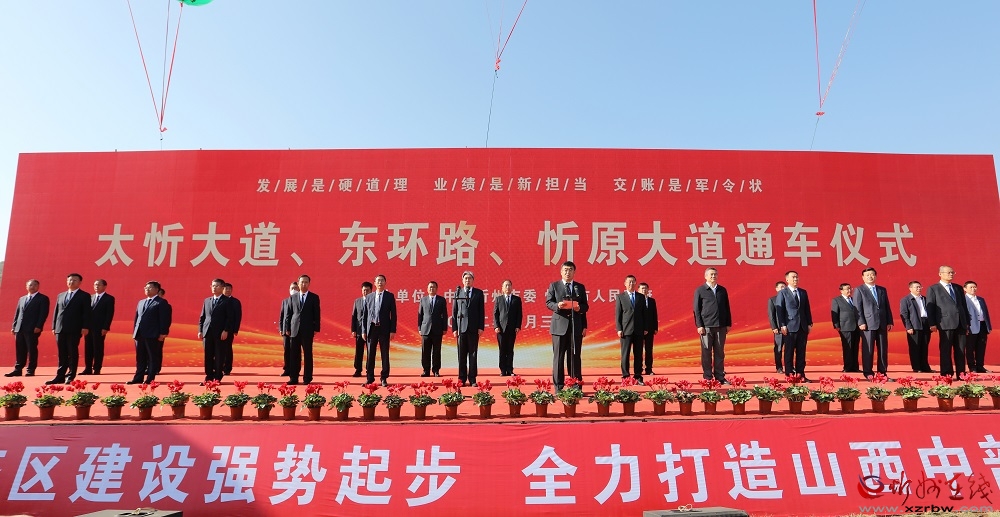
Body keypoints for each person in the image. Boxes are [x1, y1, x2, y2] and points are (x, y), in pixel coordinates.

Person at [544, 261, 588, 390]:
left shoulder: (579, 287)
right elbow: (548, 302)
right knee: (558, 357)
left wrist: (579, 308)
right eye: (565, 270)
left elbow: (585, 306)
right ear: (561, 272)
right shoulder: (554, 286)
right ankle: (559, 387)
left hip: (575, 326)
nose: (568, 272)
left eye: (570, 270)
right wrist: (557, 305)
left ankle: (576, 385)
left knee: (575, 356)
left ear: (574, 272)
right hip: (559, 327)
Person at [925, 265, 970, 378]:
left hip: (960, 322)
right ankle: (947, 373)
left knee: (961, 350)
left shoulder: (958, 288)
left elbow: (964, 306)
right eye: (948, 272)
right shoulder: (933, 288)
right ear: (940, 274)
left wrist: (967, 323)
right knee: (946, 349)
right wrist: (932, 323)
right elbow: (930, 307)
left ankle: (961, 374)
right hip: (945, 322)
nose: (951, 274)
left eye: (952, 272)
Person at [48, 273, 92, 385]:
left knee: (72, 352)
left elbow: (87, 313)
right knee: (61, 353)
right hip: (60, 328)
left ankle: (71, 375)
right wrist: (54, 326)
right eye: (69, 280)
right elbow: (56, 312)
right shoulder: (61, 295)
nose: (71, 282)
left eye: (74, 280)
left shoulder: (84, 296)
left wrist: (85, 326)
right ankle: (60, 376)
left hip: (74, 328)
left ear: (80, 282)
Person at [693, 267, 732, 384]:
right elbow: (696, 309)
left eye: (715, 274)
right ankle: (708, 377)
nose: (713, 276)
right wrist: (699, 325)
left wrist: (728, 323)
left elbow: (727, 307)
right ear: (705, 276)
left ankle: (720, 377)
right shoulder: (700, 290)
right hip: (706, 326)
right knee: (706, 352)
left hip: (721, 326)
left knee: (720, 352)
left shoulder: (722, 290)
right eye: (711, 274)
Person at [853, 267, 893, 379]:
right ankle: (868, 372)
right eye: (867, 275)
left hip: (882, 323)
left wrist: (889, 321)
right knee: (868, 349)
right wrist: (861, 322)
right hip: (867, 324)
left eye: (872, 274)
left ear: (875, 276)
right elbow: (857, 308)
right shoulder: (859, 290)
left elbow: (886, 306)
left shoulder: (882, 290)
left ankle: (882, 373)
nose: (870, 277)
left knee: (883, 349)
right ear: (863, 277)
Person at [774, 270, 813, 381]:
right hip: (789, 326)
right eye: (793, 277)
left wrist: (809, 323)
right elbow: (780, 311)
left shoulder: (803, 292)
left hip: (802, 326)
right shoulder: (783, 293)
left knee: (801, 352)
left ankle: (801, 374)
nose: (796, 279)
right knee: (789, 351)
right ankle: (789, 374)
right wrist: (782, 325)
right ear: (787, 279)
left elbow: (807, 309)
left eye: (797, 277)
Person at [6, 279, 49, 377]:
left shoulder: (42, 298)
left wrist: (39, 326)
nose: (32, 287)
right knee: (20, 349)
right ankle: (18, 369)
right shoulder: (22, 299)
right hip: (19, 328)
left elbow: (43, 314)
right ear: (26, 287)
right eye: (30, 285)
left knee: (31, 349)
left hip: (32, 328)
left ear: (38, 286)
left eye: (34, 285)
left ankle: (30, 369)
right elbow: (17, 313)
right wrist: (14, 326)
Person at [131, 281, 170, 384]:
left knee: (152, 357)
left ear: (157, 290)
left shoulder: (161, 302)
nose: (147, 289)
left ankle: (150, 378)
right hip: (140, 334)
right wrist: (135, 332)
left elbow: (164, 319)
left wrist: (163, 333)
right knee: (140, 357)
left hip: (153, 334)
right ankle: (138, 378)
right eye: (146, 288)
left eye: (150, 288)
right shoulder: (141, 302)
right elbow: (137, 318)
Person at [284, 274, 321, 385]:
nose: (304, 284)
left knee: (308, 354)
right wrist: (287, 328)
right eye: (302, 282)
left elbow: (317, 314)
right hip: (294, 329)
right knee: (294, 355)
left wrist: (316, 328)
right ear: (298, 283)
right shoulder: (292, 297)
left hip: (308, 329)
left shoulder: (314, 297)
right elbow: (288, 314)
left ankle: (307, 378)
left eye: (306, 282)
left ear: (309, 284)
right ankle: (293, 377)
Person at [452, 271, 485, 387]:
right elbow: (454, 312)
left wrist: (481, 327)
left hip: (473, 328)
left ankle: (472, 378)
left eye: (470, 278)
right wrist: (455, 328)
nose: (467, 280)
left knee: (473, 354)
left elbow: (481, 311)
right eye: (465, 278)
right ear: (462, 280)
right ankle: (461, 378)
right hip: (461, 328)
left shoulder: (478, 293)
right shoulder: (458, 292)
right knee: (461, 355)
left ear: (473, 280)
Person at [362, 274, 396, 386]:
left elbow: (393, 315)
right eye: (378, 281)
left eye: (382, 280)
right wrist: (364, 331)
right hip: (372, 328)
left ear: (385, 283)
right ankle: (370, 377)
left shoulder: (389, 296)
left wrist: (392, 330)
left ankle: (384, 377)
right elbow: (365, 315)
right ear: (375, 283)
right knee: (370, 354)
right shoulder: (369, 297)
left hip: (384, 329)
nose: (380, 282)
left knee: (384, 354)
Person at [615, 275, 646, 383]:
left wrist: (645, 328)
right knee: (625, 354)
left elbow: (644, 314)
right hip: (625, 330)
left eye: (633, 282)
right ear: (625, 283)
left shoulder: (641, 297)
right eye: (629, 282)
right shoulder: (620, 297)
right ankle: (625, 376)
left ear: (636, 283)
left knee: (638, 355)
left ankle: (638, 376)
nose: (631, 284)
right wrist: (619, 329)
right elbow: (618, 315)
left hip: (639, 330)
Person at [82, 279, 115, 375]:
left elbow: (109, 314)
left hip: (100, 328)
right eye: (95, 285)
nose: (96, 286)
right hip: (88, 327)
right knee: (88, 348)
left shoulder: (109, 298)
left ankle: (97, 368)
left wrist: (106, 327)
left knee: (98, 348)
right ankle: (88, 368)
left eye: (99, 285)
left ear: (105, 286)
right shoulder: (90, 297)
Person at [900, 281, 933, 373]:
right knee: (915, 347)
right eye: (916, 287)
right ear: (910, 288)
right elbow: (904, 314)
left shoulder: (925, 299)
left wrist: (931, 324)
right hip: (914, 325)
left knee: (924, 346)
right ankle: (916, 367)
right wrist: (908, 327)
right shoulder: (906, 299)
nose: (919, 289)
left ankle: (925, 367)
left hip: (926, 324)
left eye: (920, 287)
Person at [493, 279, 523, 376]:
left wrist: (518, 326)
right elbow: (495, 314)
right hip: (501, 329)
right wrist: (496, 326)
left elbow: (519, 314)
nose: (507, 287)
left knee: (510, 349)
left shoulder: (516, 299)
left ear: (512, 287)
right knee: (502, 350)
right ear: (502, 288)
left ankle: (510, 369)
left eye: (509, 285)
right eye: (505, 285)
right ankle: (502, 370)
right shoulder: (499, 299)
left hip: (512, 328)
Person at [418, 281, 448, 377]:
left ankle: (436, 370)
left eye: (434, 287)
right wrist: (419, 328)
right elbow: (420, 315)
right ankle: (426, 370)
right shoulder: (423, 300)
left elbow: (445, 315)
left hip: (437, 329)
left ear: (437, 289)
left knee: (436, 351)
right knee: (425, 351)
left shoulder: (441, 300)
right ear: (427, 289)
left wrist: (444, 328)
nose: (432, 289)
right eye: (430, 287)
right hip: (425, 329)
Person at [963, 281, 992, 373]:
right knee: (970, 348)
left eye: (974, 287)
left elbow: (985, 313)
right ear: (965, 289)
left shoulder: (980, 299)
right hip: (971, 327)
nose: (973, 289)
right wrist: (965, 327)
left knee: (981, 347)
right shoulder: (963, 300)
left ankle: (980, 366)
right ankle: (972, 367)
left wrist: (988, 326)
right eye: (971, 287)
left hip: (982, 326)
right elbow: (962, 315)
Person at [831, 283, 860, 373]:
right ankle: (847, 367)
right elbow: (834, 313)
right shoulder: (836, 300)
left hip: (856, 327)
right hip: (845, 327)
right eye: (847, 289)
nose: (849, 290)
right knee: (847, 347)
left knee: (855, 347)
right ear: (841, 291)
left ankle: (855, 367)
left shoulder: (854, 299)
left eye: (850, 288)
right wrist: (836, 325)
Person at [350, 281, 372, 377]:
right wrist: (353, 330)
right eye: (364, 290)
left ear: (371, 291)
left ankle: (369, 370)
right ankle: (358, 370)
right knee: (359, 351)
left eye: (367, 290)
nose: (365, 292)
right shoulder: (357, 301)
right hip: (359, 330)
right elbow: (354, 316)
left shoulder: (373, 301)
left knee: (370, 351)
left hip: (370, 330)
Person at [278, 281, 299, 377]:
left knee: (296, 351)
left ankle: (296, 370)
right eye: (292, 288)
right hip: (285, 330)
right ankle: (287, 369)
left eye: (295, 288)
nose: (294, 290)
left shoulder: (300, 301)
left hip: (296, 329)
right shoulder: (285, 301)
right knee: (287, 350)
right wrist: (281, 328)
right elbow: (282, 316)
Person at [221, 283, 242, 376]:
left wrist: (235, 329)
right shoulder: (218, 300)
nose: (228, 290)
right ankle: (218, 367)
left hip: (229, 329)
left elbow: (238, 316)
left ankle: (227, 368)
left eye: (229, 289)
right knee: (217, 349)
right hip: (217, 329)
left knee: (227, 348)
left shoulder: (235, 302)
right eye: (226, 288)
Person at [638, 282, 658, 375]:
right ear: (638, 290)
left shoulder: (651, 301)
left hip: (650, 329)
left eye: (645, 288)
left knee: (649, 350)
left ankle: (649, 369)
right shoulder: (636, 300)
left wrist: (655, 327)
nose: (644, 290)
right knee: (638, 350)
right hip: (639, 329)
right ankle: (639, 369)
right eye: (642, 288)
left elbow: (654, 315)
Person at [767, 281, 787, 374]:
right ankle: (779, 367)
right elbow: (771, 315)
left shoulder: (789, 299)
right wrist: (774, 327)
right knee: (778, 348)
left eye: (784, 287)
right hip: (779, 329)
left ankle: (789, 367)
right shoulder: (773, 300)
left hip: (790, 328)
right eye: (781, 287)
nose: (783, 288)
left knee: (789, 349)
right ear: (777, 289)